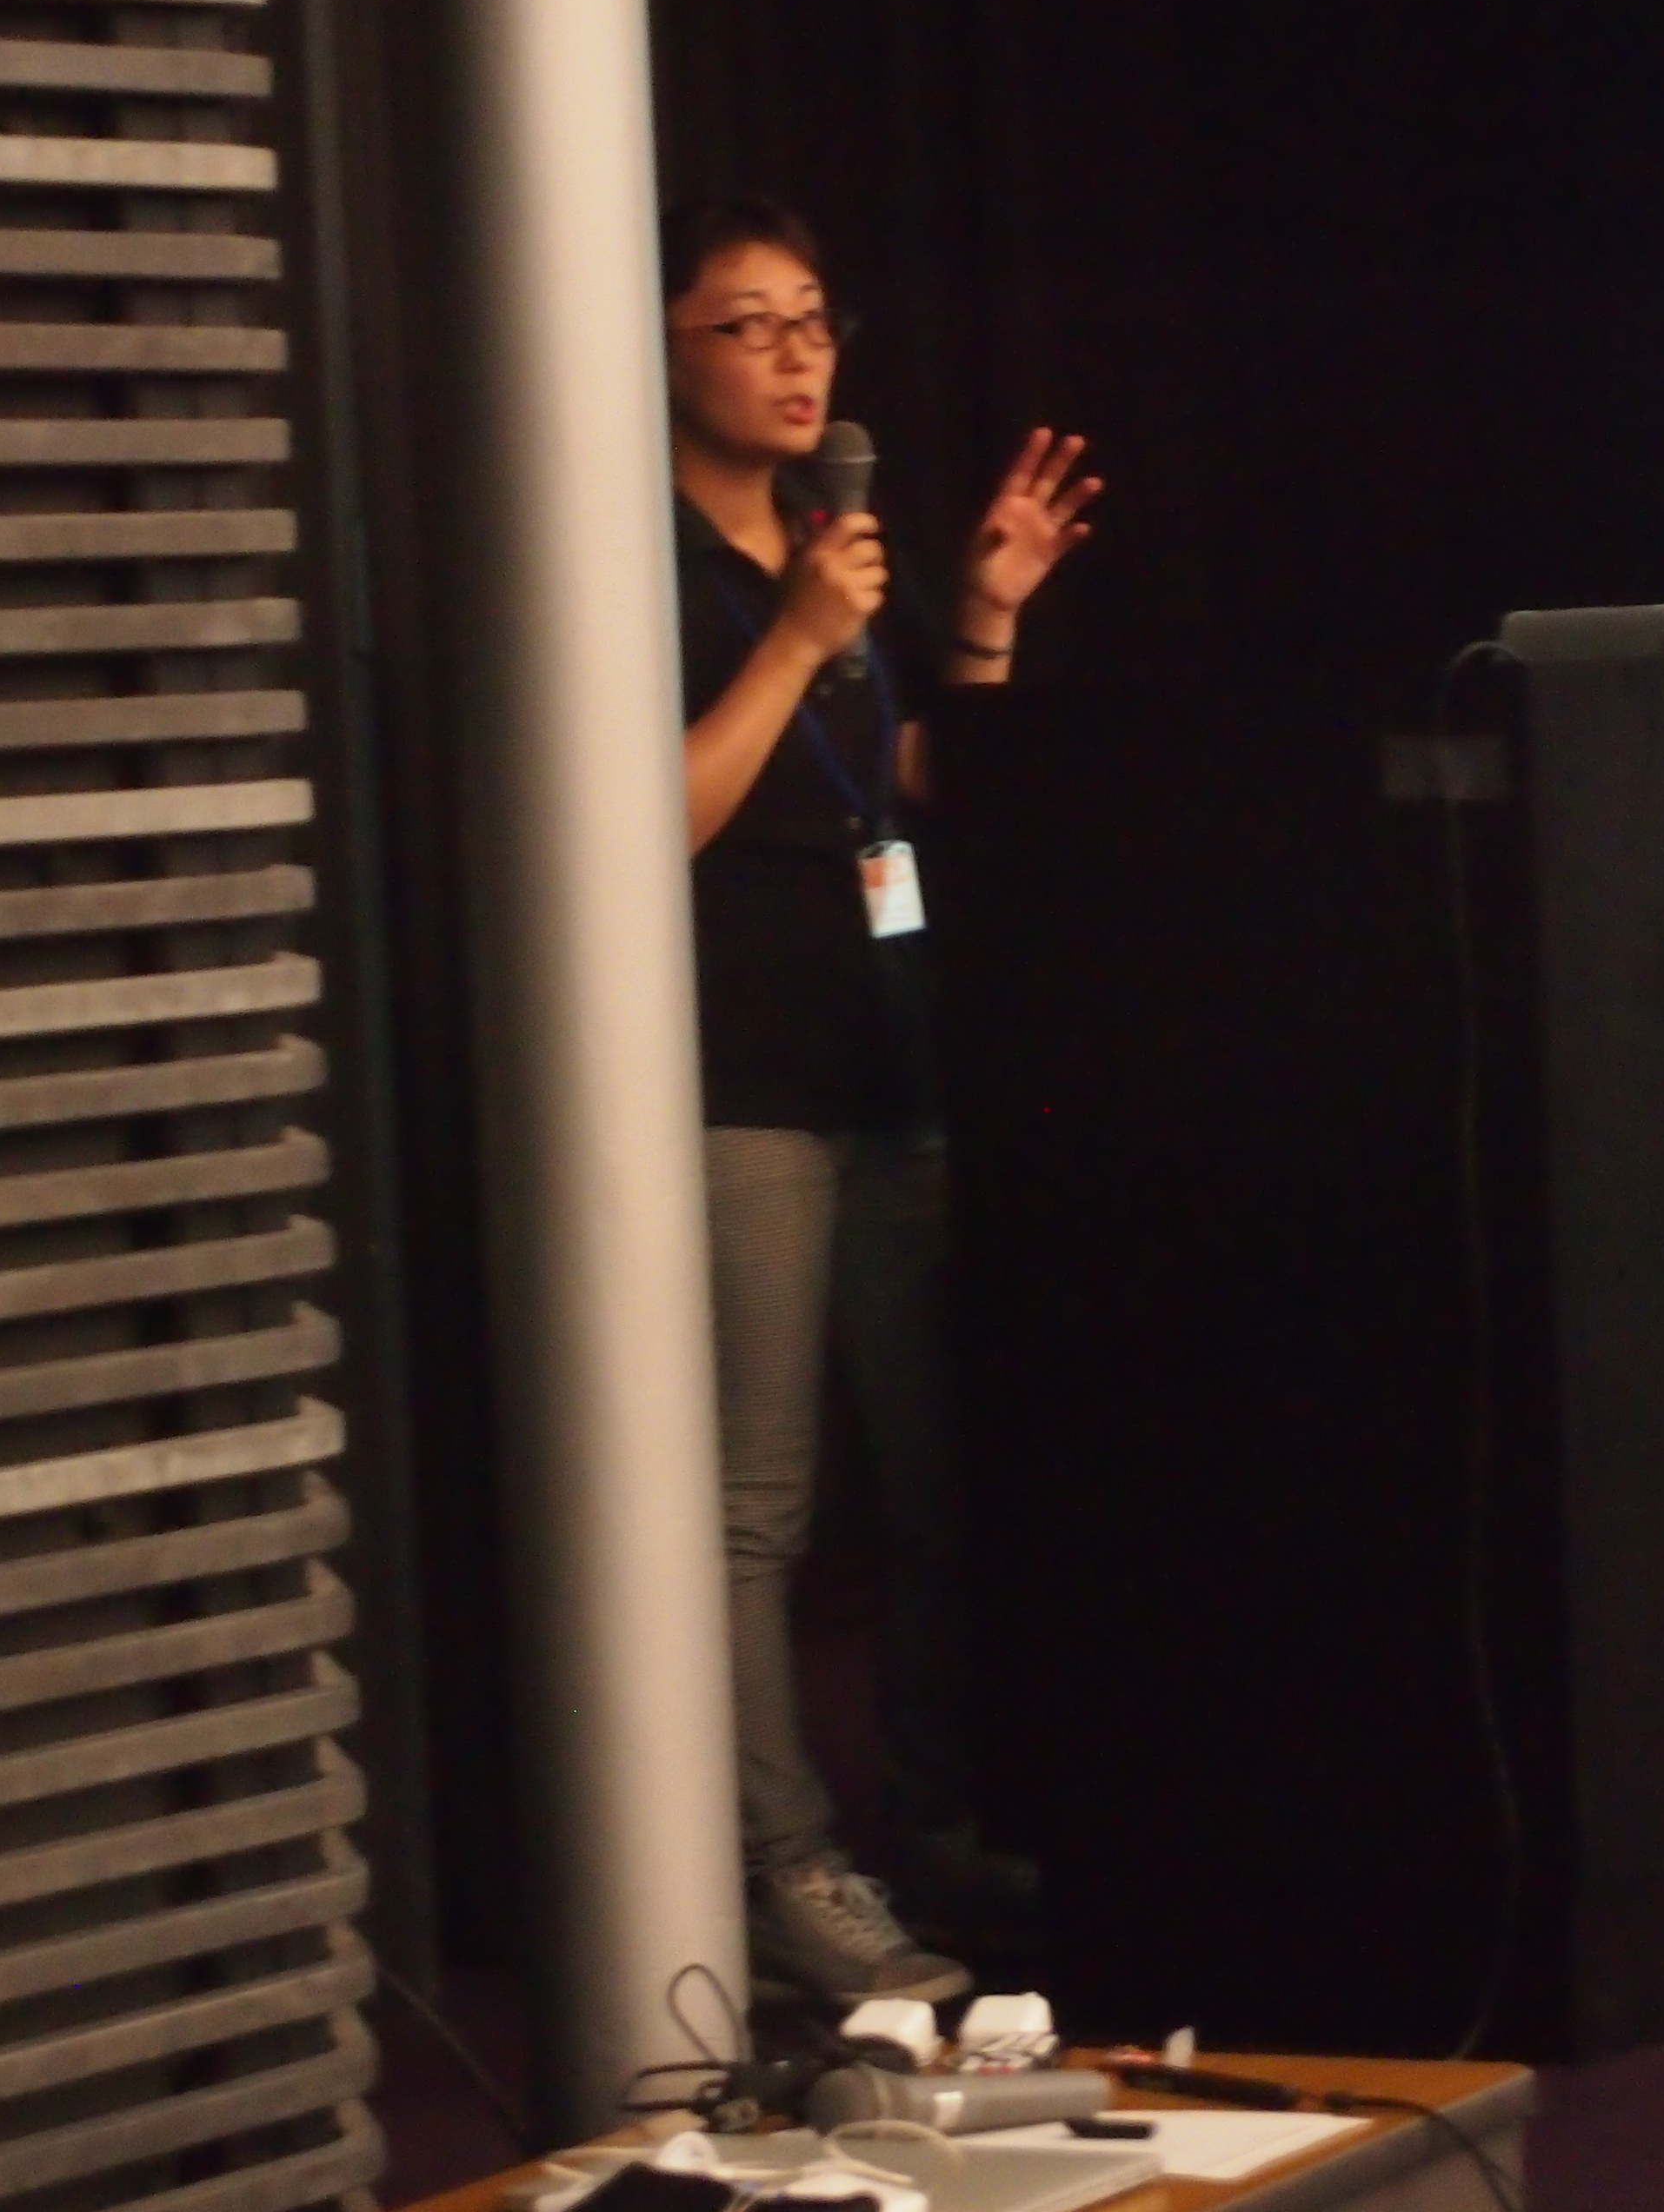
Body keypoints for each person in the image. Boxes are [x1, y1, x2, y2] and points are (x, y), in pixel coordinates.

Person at [663, 196, 1102, 2000]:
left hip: (895, 1054)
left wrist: (982, 618)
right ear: (662, 353)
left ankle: (940, 1827)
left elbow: (917, 778)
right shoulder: (640, 561)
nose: (797, 354)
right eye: (748, 323)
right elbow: (644, 816)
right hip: (742, 1070)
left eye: (814, 319)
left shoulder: (837, 541)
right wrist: (788, 638)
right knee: (756, 1507)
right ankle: (778, 1872)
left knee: (940, 1480)